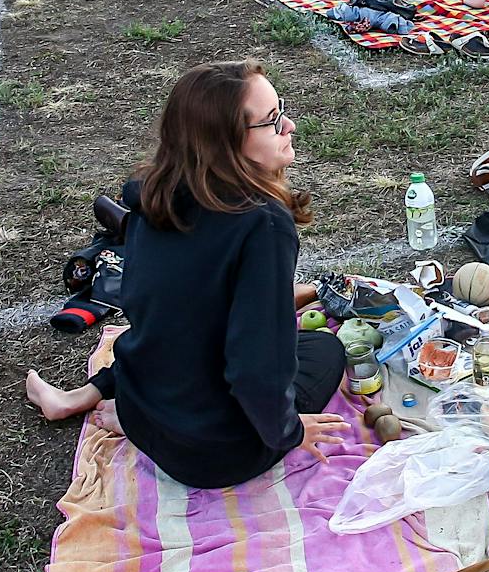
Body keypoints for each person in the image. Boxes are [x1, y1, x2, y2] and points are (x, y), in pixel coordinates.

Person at [24, 59, 350, 488]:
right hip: (214, 455)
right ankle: (123, 410)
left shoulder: (152, 195)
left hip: (147, 409)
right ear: (226, 144)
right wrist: (291, 432)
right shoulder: (262, 223)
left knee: (178, 333)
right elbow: (256, 367)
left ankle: (95, 398)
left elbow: (172, 313)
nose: (288, 124)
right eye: (272, 121)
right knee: (324, 350)